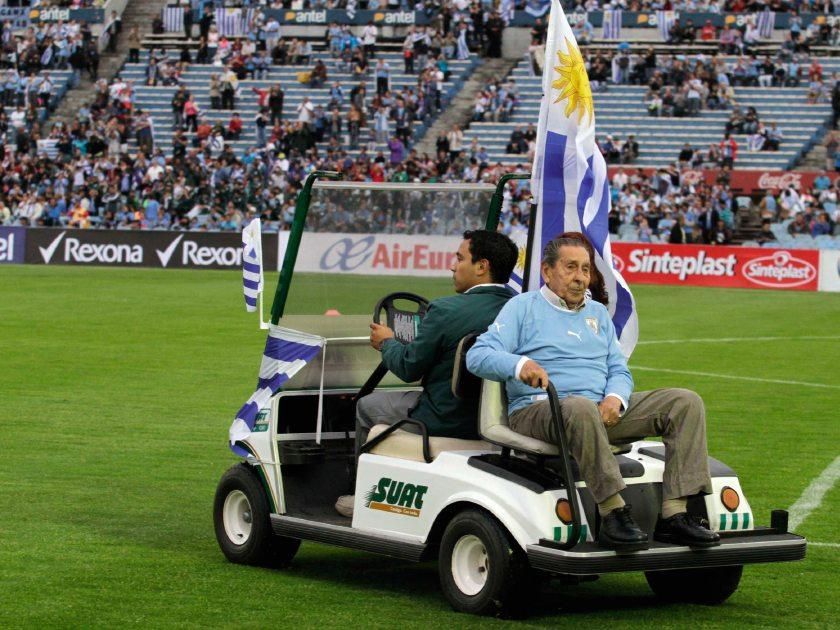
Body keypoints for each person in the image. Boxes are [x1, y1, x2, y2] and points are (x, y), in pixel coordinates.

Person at [467, 234, 720, 551]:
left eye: (585, 269)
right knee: (581, 407)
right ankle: (613, 511)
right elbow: (477, 356)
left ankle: (674, 516)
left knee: (684, 402)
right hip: (539, 410)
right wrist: (520, 365)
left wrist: (615, 397)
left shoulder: (598, 314)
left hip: (594, 412)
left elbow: (619, 369)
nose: (580, 277)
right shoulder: (522, 307)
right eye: (571, 267)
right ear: (547, 271)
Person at [335, 230, 519, 517]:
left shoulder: (446, 310)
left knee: (366, 405)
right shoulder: (522, 309)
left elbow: (408, 367)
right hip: (501, 421)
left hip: (446, 418)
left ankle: (361, 495)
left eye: (460, 258)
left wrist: (386, 341)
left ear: (482, 267)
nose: (452, 265)